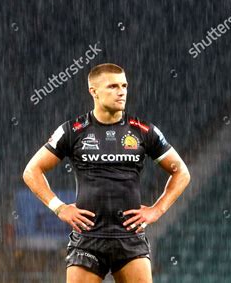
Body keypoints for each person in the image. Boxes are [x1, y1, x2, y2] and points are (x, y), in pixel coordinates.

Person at [23, 63, 191, 283]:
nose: (121, 91)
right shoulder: (72, 131)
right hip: (88, 239)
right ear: (93, 91)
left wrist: (157, 210)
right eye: (112, 86)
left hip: (130, 239)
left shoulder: (143, 130)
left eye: (124, 85)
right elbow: (31, 171)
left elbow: (181, 173)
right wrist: (59, 208)